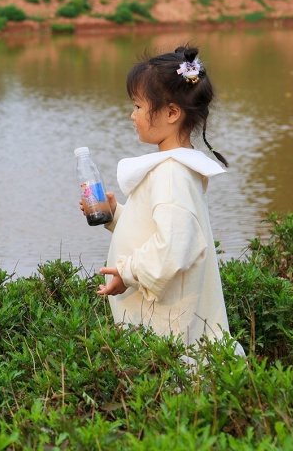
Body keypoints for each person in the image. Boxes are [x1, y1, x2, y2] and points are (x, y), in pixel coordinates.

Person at [88, 45, 242, 355]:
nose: (132, 115)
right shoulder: (177, 168)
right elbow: (167, 228)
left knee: (171, 381)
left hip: (170, 327)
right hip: (169, 319)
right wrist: (116, 215)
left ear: (171, 112)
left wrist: (127, 272)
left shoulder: (171, 174)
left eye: (138, 106)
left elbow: (173, 249)